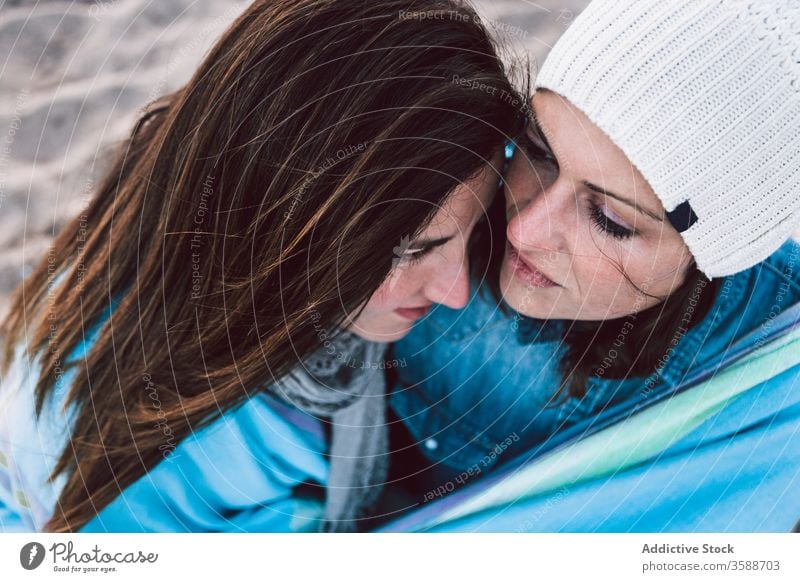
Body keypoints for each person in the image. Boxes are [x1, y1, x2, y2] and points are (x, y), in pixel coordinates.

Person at [0, 0, 525, 533]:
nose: (455, 291)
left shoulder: (166, 209)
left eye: (476, 226)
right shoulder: (189, 459)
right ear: (274, 220)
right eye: (409, 250)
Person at [389, 0, 800, 531]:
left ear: (711, 260)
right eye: (538, 150)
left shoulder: (769, 367)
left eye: (610, 219)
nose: (523, 229)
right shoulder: (445, 184)